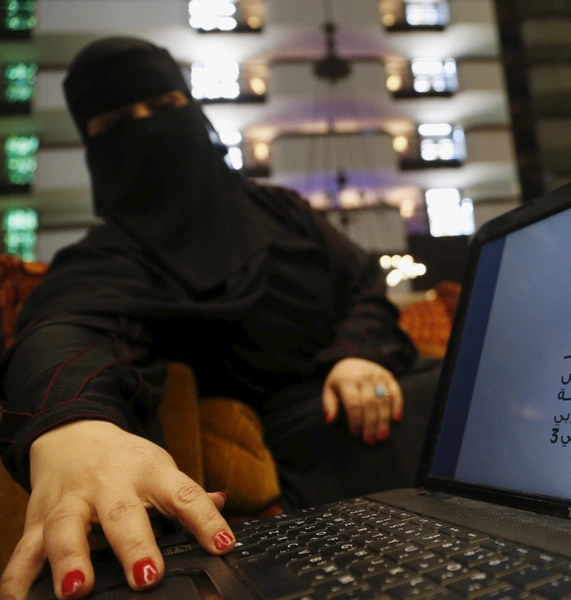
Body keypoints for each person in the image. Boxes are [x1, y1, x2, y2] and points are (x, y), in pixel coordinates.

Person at [0, 37, 439, 600]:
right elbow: (63, 329)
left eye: (164, 108)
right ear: (93, 147)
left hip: (377, 381)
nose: (149, 129)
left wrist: (357, 354)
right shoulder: (112, 256)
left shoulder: (280, 209)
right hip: (305, 437)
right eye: (117, 122)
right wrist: (75, 428)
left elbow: (362, 284)